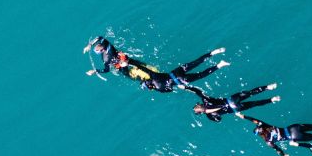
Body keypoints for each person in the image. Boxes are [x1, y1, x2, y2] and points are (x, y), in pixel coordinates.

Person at [84, 37, 228, 93]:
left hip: (179, 79)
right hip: (175, 73)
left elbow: (169, 89)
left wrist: (89, 46)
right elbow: (107, 69)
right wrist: (128, 62)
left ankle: (218, 64)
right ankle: (213, 54)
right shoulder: (154, 78)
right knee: (196, 64)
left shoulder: (158, 85)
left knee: (200, 74)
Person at [241, 115, 312, 156]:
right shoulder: (266, 126)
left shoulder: (268, 141)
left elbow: (278, 150)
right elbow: (254, 119)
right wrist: (244, 116)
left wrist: (284, 155)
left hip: (294, 136)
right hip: (293, 128)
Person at [184, 83, 280, 122]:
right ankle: (267, 87)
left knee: (254, 103)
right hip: (231, 100)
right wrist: (186, 87)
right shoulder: (205, 100)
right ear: (200, 105)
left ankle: (272, 99)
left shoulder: (209, 116)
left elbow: (218, 119)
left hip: (235, 108)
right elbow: (198, 91)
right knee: (249, 93)